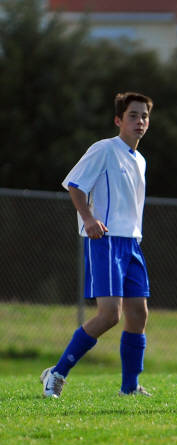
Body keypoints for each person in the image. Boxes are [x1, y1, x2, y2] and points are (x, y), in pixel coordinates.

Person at [41, 92, 154, 398]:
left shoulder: (140, 160)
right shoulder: (104, 149)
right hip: (105, 241)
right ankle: (57, 373)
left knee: (138, 314)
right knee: (109, 315)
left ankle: (129, 388)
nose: (140, 121)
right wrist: (88, 219)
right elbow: (75, 185)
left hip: (131, 243)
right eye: (133, 115)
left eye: (144, 116)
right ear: (118, 120)